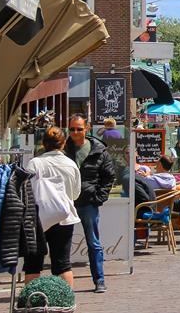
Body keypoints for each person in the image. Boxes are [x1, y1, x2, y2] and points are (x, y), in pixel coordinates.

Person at [23, 127, 81, 288]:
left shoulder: (35, 163)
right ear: (63, 144)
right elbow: (75, 194)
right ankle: (66, 301)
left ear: (43, 143)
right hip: (64, 218)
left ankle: (31, 302)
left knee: (33, 263)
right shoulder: (70, 164)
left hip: (38, 219)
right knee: (62, 263)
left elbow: (27, 190)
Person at [64, 114, 115, 293]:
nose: (75, 132)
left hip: (88, 202)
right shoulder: (63, 149)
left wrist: (98, 197)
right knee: (63, 243)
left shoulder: (98, 150)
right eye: (72, 129)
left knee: (93, 242)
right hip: (66, 203)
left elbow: (108, 176)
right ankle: (63, 283)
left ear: (87, 128)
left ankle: (99, 280)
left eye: (79, 128)